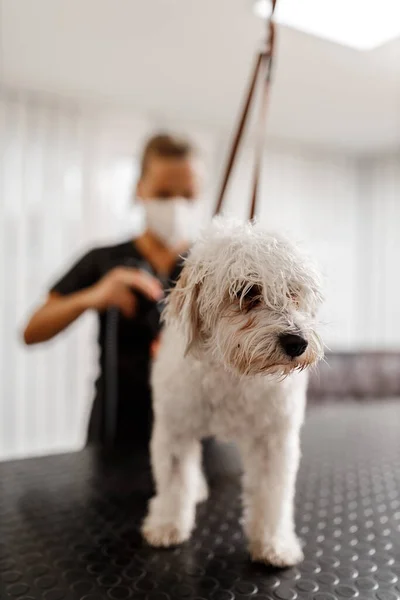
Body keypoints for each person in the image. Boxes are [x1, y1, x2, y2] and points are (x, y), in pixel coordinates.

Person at [23, 134, 202, 449]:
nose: (176, 205)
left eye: (186, 195)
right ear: (140, 189)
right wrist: (94, 296)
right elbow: (32, 331)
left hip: (195, 430)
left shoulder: (208, 266)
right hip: (116, 430)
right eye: (163, 193)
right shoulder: (103, 260)